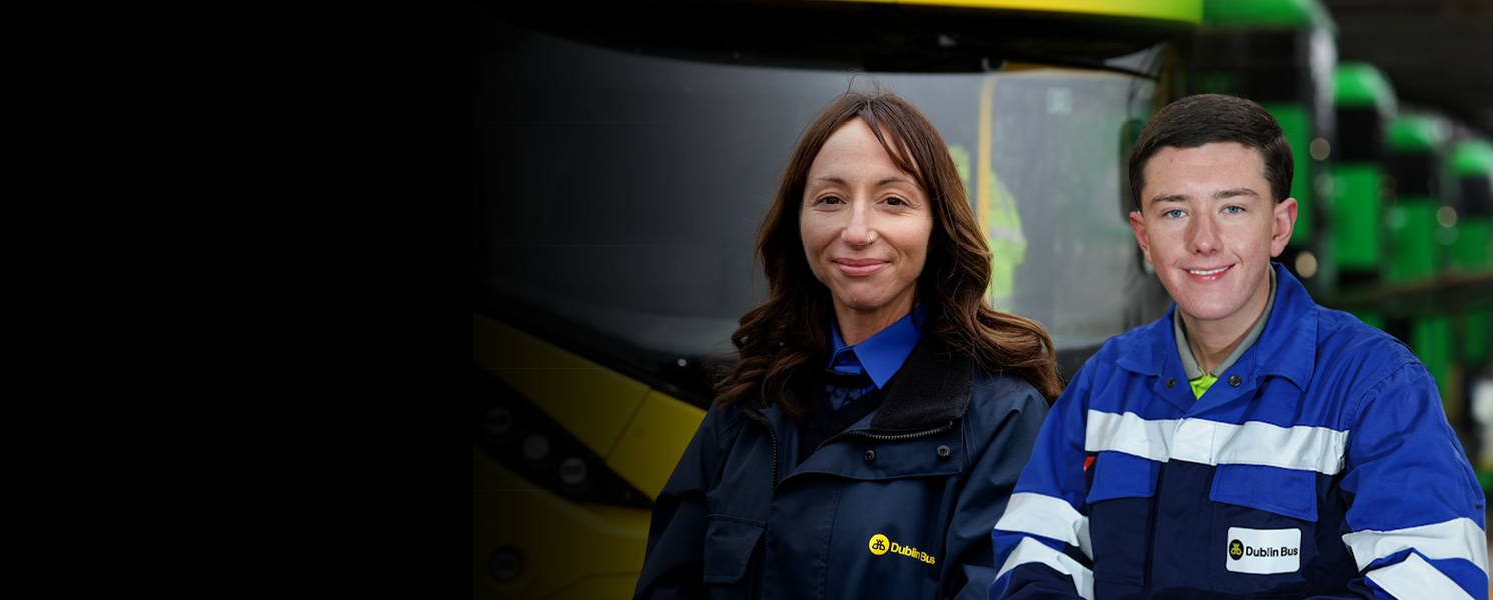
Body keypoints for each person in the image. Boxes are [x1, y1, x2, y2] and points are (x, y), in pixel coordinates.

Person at [988, 94, 1489, 600]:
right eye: (1174, 212)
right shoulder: (1104, 385)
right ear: (1143, 236)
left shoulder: (1374, 387)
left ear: (1279, 226)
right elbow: (1033, 552)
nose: (1204, 240)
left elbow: (1435, 581)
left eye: (1232, 208)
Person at [632, 88, 1061, 600]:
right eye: (830, 200)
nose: (857, 231)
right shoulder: (747, 398)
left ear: (937, 228)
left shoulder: (1005, 418)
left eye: (893, 201)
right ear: (799, 222)